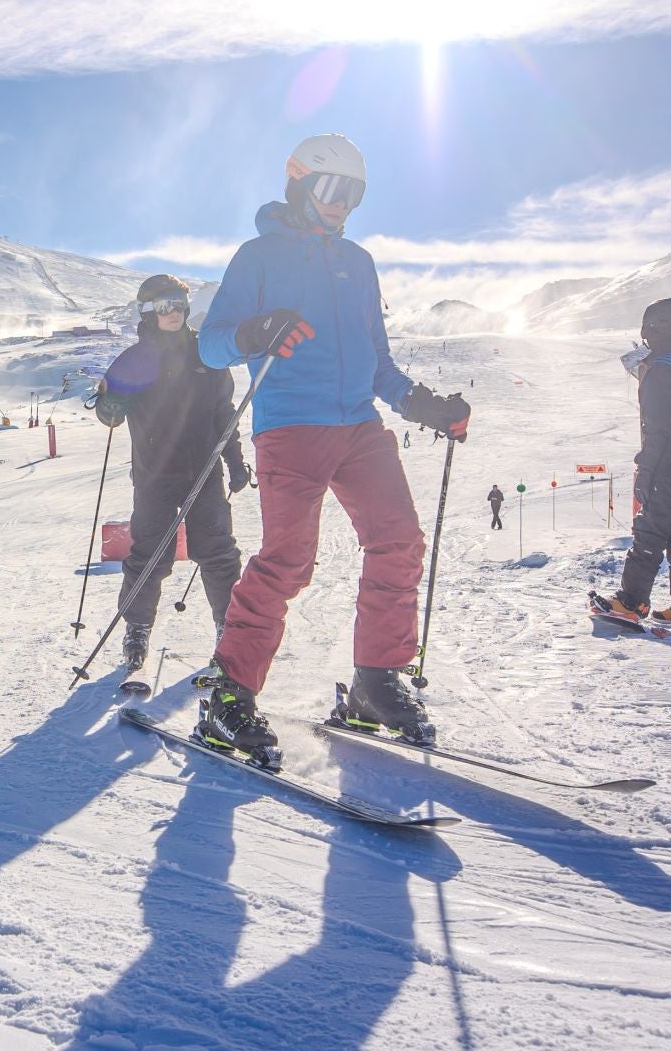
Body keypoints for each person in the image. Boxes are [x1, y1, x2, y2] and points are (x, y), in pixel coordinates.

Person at [194, 133, 471, 760]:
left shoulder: (359, 263)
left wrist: (419, 404)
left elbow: (378, 363)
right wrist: (254, 330)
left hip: (359, 427)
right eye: (331, 188)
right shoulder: (259, 256)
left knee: (399, 540)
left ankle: (376, 680)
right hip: (291, 425)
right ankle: (229, 694)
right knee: (288, 560)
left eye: (355, 193)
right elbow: (209, 345)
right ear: (298, 183)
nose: (342, 203)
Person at [93, 274, 248, 673]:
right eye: (164, 306)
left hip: (203, 471)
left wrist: (234, 459)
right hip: (155, 474)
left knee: (217, 552)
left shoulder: (205, 354)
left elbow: (223, 412)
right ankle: (137, 628)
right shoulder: (135, 359)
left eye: (179, 303)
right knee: (149, 554)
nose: (174, 312)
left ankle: (228, 629)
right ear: (148, 311)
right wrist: (109, 404)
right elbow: (110, 413)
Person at [595, 298, 671, 624]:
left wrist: (646, 468)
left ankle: (630, 602)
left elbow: (658, 426)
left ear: (652, 328)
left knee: (650, 531)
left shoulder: (663, 366)